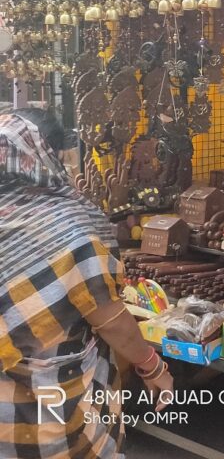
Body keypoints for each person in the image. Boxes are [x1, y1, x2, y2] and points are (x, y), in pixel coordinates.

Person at [0, 109, 173, 458]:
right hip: (53, 410)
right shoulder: (64, 223)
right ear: (44, 154)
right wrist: (152, 366)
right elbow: (109, 319)